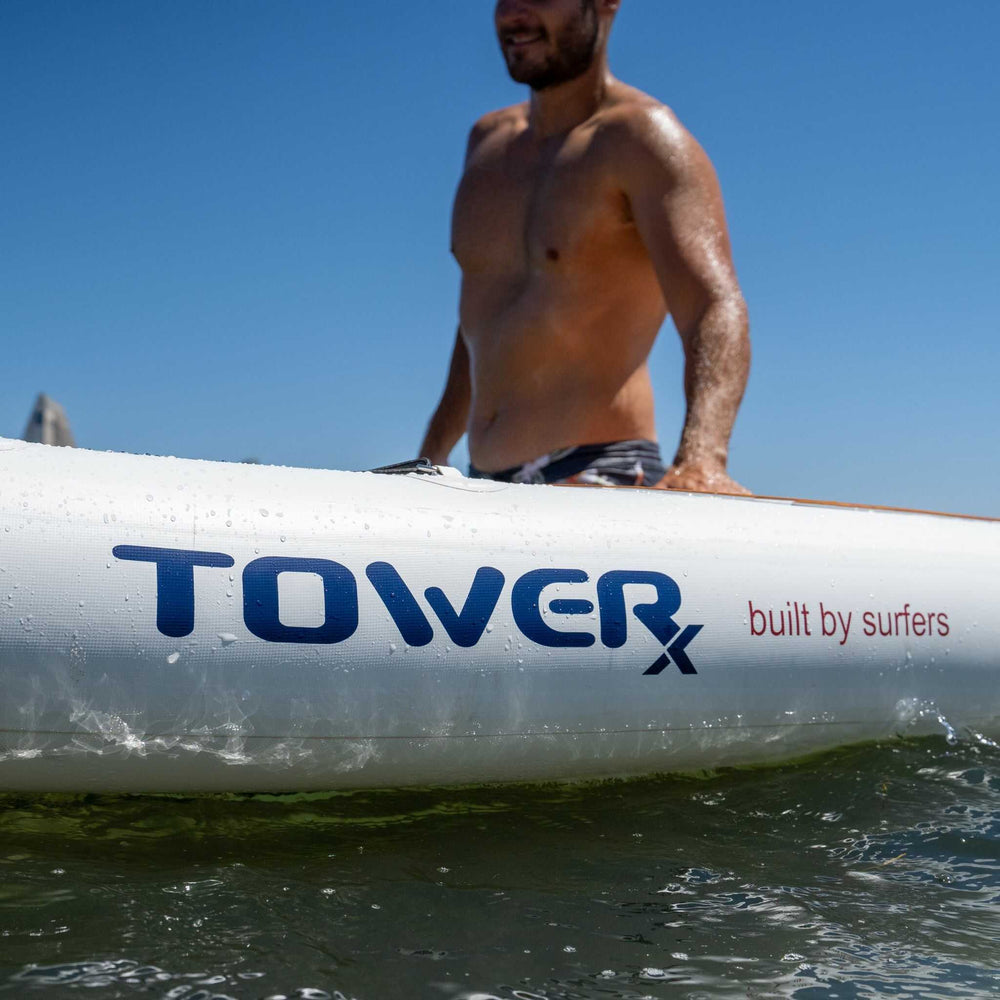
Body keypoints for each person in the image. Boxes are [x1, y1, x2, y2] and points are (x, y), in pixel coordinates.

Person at [419, 0, 750, 493]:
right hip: (481, 482)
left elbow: (713, 303)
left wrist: (703, 459)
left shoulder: (641, 138)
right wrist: (430, 458)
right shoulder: (486, 143)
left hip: (600, 475)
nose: (514, 12)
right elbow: (482, 322)